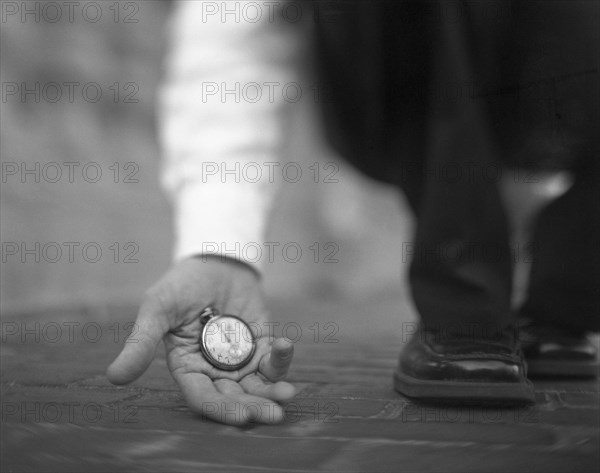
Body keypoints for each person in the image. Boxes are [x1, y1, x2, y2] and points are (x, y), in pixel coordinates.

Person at [107, 1, 599, 424]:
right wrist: (219, 245)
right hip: (389, 68)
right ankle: (465, 311)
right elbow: (236, 31)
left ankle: (565, 302)